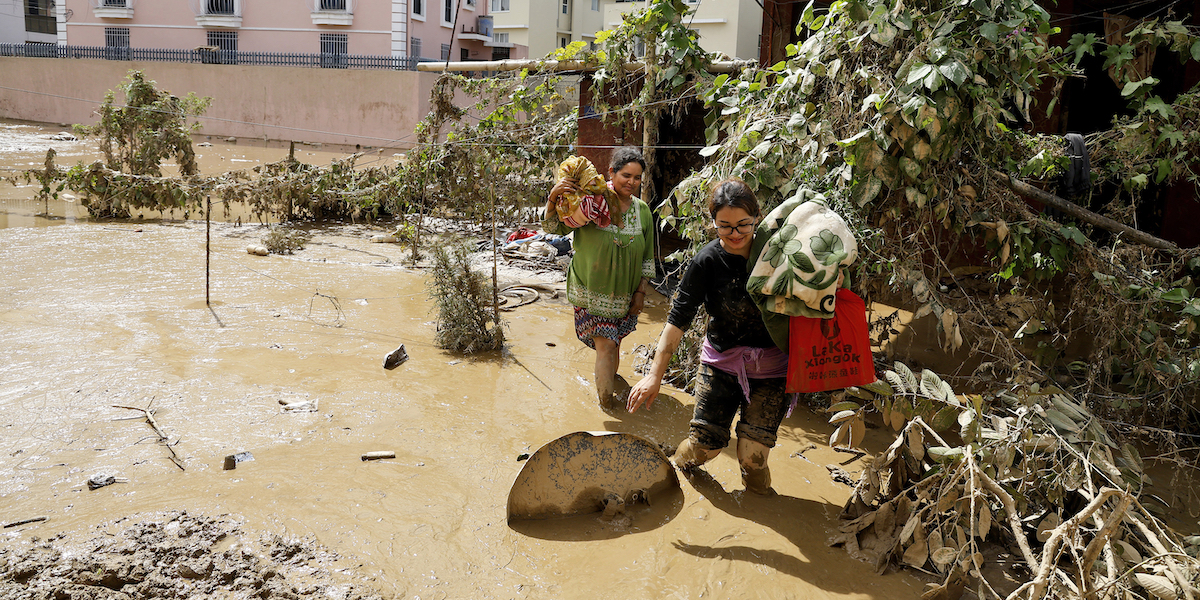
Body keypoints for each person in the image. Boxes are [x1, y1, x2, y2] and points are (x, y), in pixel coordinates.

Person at [626, 178, 787, 496]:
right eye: (725, 226)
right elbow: (677, 320)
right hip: (721, 364)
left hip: (773, 370)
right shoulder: (707, 261)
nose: (736, 233)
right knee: (704, 449)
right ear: (713, 223)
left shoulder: (779, 255)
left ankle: (762, 509)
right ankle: (673, 469)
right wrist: (654, 376)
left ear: (757, 216)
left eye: (744, 224)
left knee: (752, 460)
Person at [544, 147, 656, 408]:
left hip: (624, 295)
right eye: (626, 175)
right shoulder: (591, 202)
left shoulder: (643, 212)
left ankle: (610, 385)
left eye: (637, 178)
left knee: (614, 345)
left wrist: (640, 292)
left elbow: (647, 257)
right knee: (606, 345)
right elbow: (552, 228)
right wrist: (553, 198)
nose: (631, 182)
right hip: (590, 290)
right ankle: (608, 406)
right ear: (611, 173)